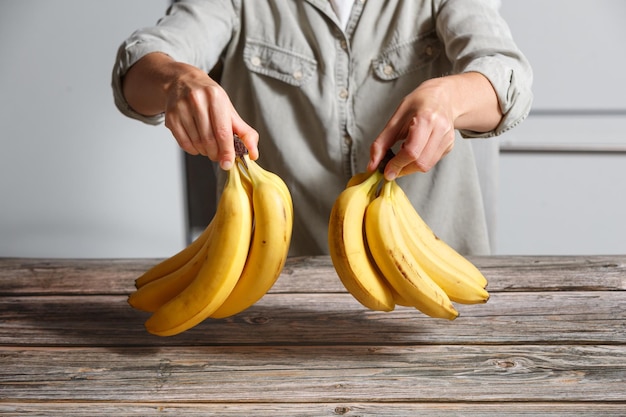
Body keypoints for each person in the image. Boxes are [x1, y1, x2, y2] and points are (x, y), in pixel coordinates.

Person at [112, 0, 533, 257]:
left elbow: (507, 75)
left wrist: (451, 100)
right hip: (277, 286)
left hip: (433, 270)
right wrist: (175, 82)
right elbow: (140, 65)